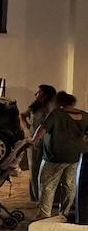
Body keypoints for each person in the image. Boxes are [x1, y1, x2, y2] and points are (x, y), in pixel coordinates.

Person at [33, 92, 86, 220]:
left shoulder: (56, 114)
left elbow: (42, 129)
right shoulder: (85, 115)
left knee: (47, 186)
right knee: (69, 186)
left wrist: (34, 140)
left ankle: (44, 215)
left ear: (59, 102)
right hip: (76, 156)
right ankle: (64, 214)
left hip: (54, 157)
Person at [23, 84, 59, 203]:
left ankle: (46, 196)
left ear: (46, 95)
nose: (36, 94)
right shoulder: (35, 106)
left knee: (47, 170)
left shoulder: (53, 107)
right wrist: (28, 126)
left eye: (39, 92)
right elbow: (22, 115)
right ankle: (36, 196)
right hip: (35, 141)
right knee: (34, 169)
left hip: (48, 141)